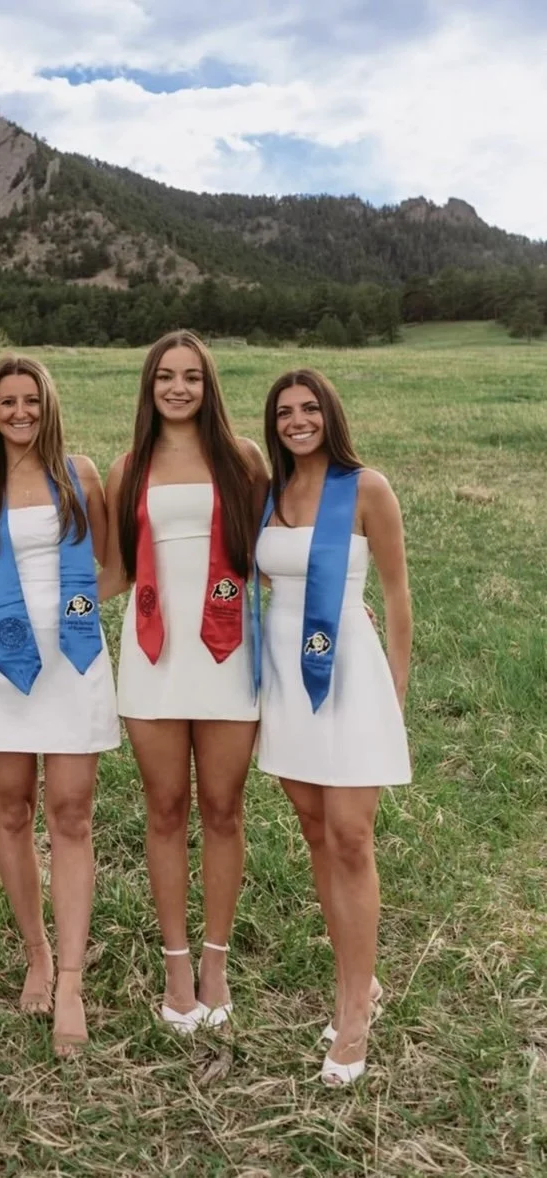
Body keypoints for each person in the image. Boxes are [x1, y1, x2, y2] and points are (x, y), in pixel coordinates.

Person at [99, 330, 268, 1034]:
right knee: (165, 808)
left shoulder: (244, 460)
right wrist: (48, 600)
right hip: (153, 658)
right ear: (149, 385)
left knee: (223, 810)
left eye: (191, 377)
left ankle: (216, 961)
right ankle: (175, 964)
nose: (177, 387)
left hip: (227, 658)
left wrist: (344, 607)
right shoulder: (128, 467)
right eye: (165, 376)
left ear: (208, 386)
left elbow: (273, 555)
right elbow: (110, 571)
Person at [0, 354, 118, 1057]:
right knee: (12, 810)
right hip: (4, 656)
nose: (20, 413)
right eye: (7, 403)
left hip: (72, 655)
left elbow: (111, 566)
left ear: (47, 405)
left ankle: (73, 980)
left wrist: (67, 618)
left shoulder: (79, 475)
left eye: (31, 401)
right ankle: (38, 954)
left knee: (72, 813)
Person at [254, 367, 411, 1085]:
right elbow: (260, 578)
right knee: (316, 831)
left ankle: (354, 1009)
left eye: (309, 408)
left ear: (329, 414)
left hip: (350, 673)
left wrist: (395, 692)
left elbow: (396, 591)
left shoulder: (366, 487)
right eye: (285, 412)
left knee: (350, 833)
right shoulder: (269, 493)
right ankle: (361, 974)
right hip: (287, 678)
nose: (297, 421)